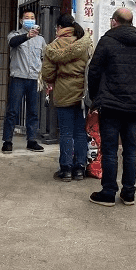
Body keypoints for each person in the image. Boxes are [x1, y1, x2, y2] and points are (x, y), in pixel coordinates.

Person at [86, 7, 136, 207]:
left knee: (110, 149)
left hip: (111, 106)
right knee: (130, 150)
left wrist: (96, 99)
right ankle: (129, 192)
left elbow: (94, 72)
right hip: (133, 108)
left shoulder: (107, 42)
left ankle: (108, 192)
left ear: (114, 21)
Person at [40, 13, 93, 182]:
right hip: (82, 94)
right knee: (80, 132)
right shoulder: (85, 43)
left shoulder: (53, 47)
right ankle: (80, 169)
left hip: (63, 92)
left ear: (60, 28)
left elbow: (47, 73)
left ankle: (66, 169)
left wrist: (53, 80)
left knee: (65, 133)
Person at [2, 8, 46, 153]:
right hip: (18, 78)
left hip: (34, 79)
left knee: (33, 111)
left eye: (32, 17)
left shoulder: (40, 39)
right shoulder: (15, 35)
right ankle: (7, 141)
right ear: (21, 20)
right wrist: (27, 36)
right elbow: (13, 43)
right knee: (13, 110)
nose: (30, 19)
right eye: (27, 17)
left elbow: (45, 57)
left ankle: (31, 140)